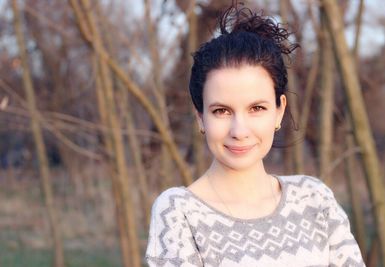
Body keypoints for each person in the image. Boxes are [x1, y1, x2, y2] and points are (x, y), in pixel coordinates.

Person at [146, 3, 365, 267]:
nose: (239, 131)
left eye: (257, 108)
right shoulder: (178, 212)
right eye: (222, 111)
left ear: (279, 111)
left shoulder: (314, 198)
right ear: (200, 117)